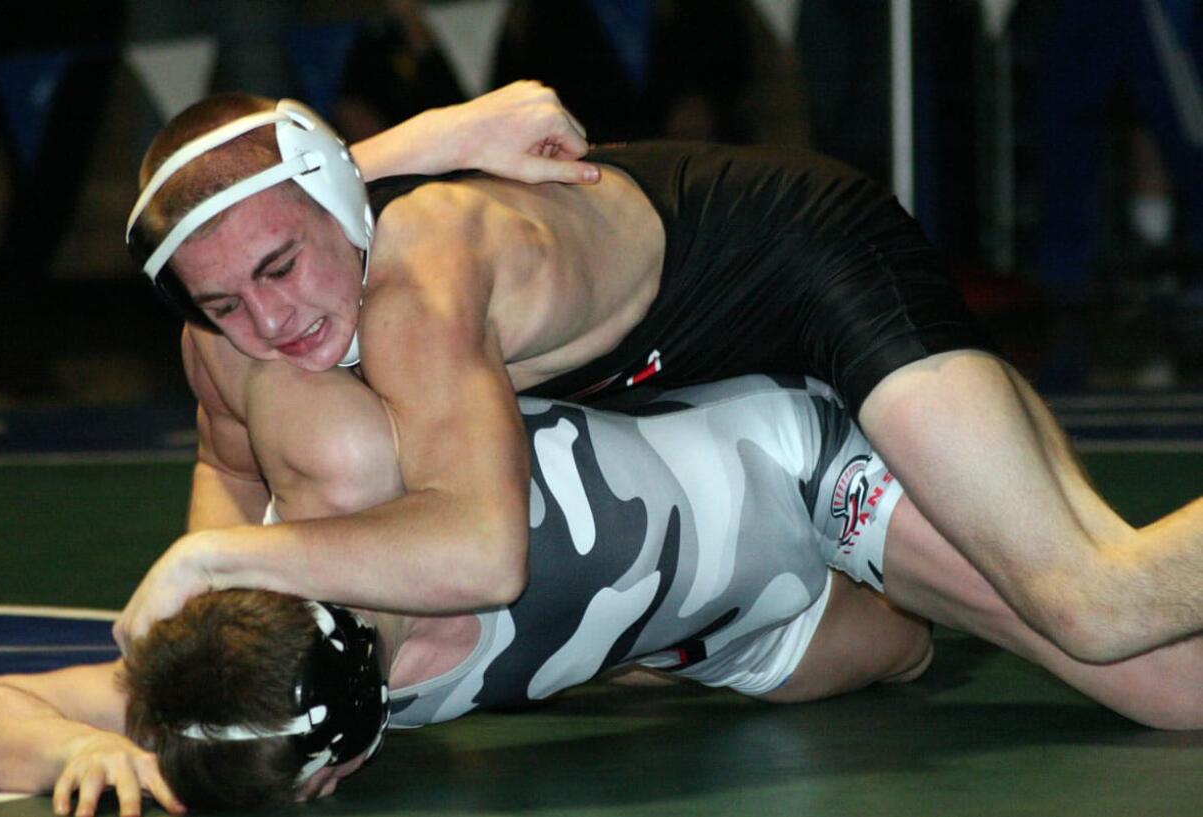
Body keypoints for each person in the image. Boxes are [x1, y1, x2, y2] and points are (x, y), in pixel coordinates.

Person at [116, 93, 1203, 664]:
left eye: (278, 269)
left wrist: (215, 554)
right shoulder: (249, 321)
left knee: (1094, 602)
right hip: (714, 387)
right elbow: (229, 455)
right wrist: (213, 622)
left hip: (802, 271)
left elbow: (485, 555)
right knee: (1170, 693)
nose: (271, 322)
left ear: (339, 205)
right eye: (222, 304)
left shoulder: (422, 277)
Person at [0, 361, 1202, 815]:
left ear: (344, 749)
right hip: (734, 633)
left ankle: (972, 490)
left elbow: (275, 313)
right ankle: (961, 559)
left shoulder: (347, 463)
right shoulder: (257, 676)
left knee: (1156, 680)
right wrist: (73, 755)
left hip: (803, 459)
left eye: (320, 792)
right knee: (909, 656)